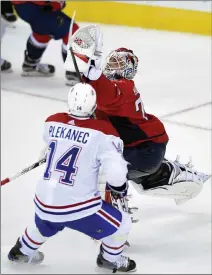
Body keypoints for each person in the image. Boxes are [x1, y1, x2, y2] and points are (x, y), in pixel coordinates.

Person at [64, 25, 210, 209]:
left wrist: (91, 72)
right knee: (124, 170)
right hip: (140, 148)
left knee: (102, 164)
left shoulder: (123, 87)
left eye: (119, 63)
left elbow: (105, 95)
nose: (112, 66)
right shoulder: (108, 88)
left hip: (144, 151)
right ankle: (171, 173)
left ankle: (116, 212)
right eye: (111, 62)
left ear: (129, 69)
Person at [7, 83, 136, 273]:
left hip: (43, 200)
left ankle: (22, 250)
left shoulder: (52, 122)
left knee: (46, 221)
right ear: (94, 105)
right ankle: (109, 260)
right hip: (78, 206)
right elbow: (115, 173)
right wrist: (119, 188)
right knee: (122, 224)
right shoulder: (104, 132)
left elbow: (51, 147)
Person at [11, 1, 79, 85]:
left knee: (43, 29)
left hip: (24, 7)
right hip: (35, 7)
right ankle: (75, 71)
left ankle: (31, 63)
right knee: (73, 31)